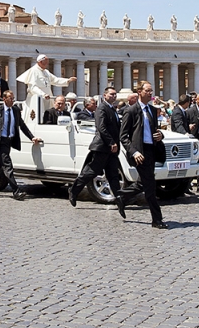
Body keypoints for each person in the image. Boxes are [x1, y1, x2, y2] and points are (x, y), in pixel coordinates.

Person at [69, 87, 126, 217]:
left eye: (115, 94)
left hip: (112, 150)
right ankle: (74, 190)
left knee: (113, 176)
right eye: (111, 94)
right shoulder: (102, 108)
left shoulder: (113, 108)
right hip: (102, 147)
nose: (114, 96)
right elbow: (101, 127)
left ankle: (120, 202)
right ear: (105, 96)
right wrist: (111, 142)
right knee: (90, 172)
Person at [119, 81, 168, 229]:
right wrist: (133, 152)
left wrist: (160, 135)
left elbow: (153, 130)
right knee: (150, 186)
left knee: (143, 183)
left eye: (151, 91)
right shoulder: (131, 110)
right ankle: (157, 219)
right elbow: (123, 136)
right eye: (147, 90)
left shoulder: (153, 110)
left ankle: (122, 196)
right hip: (139, 152)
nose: (150, 93)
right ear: (139, 91)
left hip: (151, 150)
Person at [0, 90, 40, 200]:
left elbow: (22, 125)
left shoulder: (15, 110)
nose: (13, 100)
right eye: (10, 98)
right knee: (8, 166)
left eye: (13, 98)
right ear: (4, 99)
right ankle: (16, 191)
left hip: (9, 141)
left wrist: (32, 137)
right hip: (0, 141)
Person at [16, 54, 76, 123]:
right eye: (46, 61)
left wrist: (67, 80)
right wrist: (43, 94)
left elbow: (55, 80)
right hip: (37, 99)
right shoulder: (33, 71)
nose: (47, 63)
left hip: (47, 98)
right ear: (40, 62)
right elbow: (32, 87)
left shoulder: (46, 72)